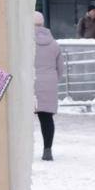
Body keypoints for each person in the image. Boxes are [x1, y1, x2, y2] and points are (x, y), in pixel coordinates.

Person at [33, 11, 64, 161]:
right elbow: (60, 68)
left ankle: (23, 151)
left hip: (29, 84)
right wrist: (52, 80)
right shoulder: (54, 44)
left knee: (23, 120)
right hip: (49, 84)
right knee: (46, 118)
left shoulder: (24, 42)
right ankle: (47, 150)